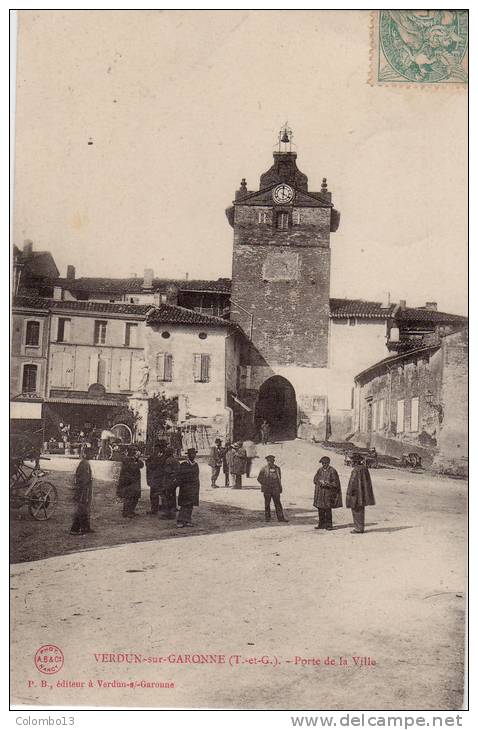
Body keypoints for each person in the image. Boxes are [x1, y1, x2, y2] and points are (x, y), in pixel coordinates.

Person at [346, 453, 376, 534]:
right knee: (361, 510)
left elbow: (352, 483)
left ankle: (358, 528)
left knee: (356, 510)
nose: (351, 462)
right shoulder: (364, 468)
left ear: (355, 462)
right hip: (363, 494)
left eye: (352, 461)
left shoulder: (355, 470)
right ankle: (360, 527)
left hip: (356, 494)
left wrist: (349, 493)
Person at [313, 456, 343, 531]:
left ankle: (329, 525)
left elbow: (336, 483)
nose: (323, 465)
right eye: (322, 463)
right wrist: (319, 482)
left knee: (327, 509)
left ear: (328, 463)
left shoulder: (332, 471)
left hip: (328, 493)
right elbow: (315, 479)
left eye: (325, 463)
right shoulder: (319, 470)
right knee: (320, 508)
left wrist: (327, 483)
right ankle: (321, 524)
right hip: (320, 493)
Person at [257, 455, 288, 523]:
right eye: (269, 461)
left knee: (278, 503)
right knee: (267, 504)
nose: (270, 462)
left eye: (272, 461)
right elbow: (259, 478)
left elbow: (279, 478)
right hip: (267, 489)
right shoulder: (263, 469)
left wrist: (279, 487)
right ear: (267, 461)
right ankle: (267, 518)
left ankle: (281, 518)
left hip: (275, 489)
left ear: (274, 461)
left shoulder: (277, 468)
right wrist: (265, 483)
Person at [70, 448, 94, 534]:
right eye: (90, 454)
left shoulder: (84, 463)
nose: (92, 455)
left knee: (84, 509)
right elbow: (84, 480)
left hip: (84, 490)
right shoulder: (85, 464)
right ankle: (76, 529)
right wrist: (84, 492)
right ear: (86, 454)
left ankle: (84, 527)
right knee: (82, 509)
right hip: (83, 491)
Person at [117, 447, 144, 518]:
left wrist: (137, 459)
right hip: (128, 482)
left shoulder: (133, 459)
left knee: (135, 497)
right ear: (130, 452)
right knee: (129, 497)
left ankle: (131, 511)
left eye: (135, 450)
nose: (135, 452)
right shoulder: (126, 459)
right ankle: (126, 512)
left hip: (134, 481)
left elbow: (141, 465)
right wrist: (136, 461)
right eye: (134, 451)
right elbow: (134, 467)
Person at [177, 448, 200, 527]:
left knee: (190, 505)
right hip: (185, 488)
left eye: (194, 454)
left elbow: (197, 477)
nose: (193, 456)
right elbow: (181, 476)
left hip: (193, 488)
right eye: (192, 454)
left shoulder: (195, 465)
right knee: (184, 505)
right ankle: (180, 521)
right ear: (188, 455)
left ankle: (187, 520)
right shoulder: (184, 465)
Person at [145, 440, 167, 515]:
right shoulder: (154, 455)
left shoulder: (166, 456)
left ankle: (164, 509)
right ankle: (154, 510)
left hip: (162, 478)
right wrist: (150, 465)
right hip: (155, 478)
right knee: (154, 494)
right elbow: (147, 461)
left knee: (163, 494)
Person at [160, 446, 179, 520]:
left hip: (168, 481)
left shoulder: (168, 460)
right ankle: (172, 512)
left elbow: (167, 471)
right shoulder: (175, 460)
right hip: (174, 481)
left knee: (167, 497)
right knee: (172, 496)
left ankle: (169, 514)